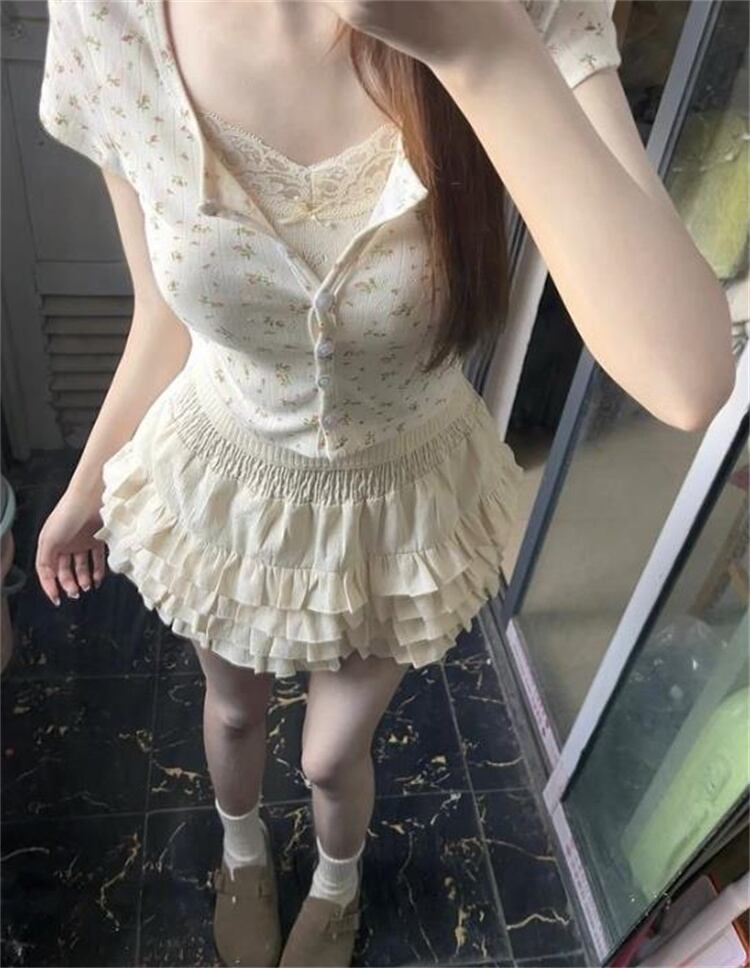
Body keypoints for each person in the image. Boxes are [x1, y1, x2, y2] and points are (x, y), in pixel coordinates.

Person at [34, 1, 735, 966]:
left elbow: (687, 375)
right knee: (232, 711)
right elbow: (161, 316)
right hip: (225, 485)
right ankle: (242, 852)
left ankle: (337, 880)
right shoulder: (107, 19)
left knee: (331, 757)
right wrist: (84, 488)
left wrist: (477, 43)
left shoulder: (515, 10)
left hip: (404, 500)